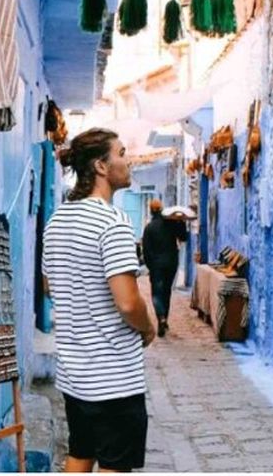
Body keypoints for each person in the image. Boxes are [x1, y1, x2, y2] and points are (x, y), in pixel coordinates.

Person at [42, 128, 157, 473]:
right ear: (101, 167)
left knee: (80, 453)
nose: (129, 160)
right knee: (114, 464)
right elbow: (127, 303)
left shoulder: (57, 221)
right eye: (121, 153)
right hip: (114, 376)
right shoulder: (113, 223)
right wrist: (148, 325)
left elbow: (50, 286)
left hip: (75, 372)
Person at [142, 199, 188, 337]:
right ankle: (165, 319)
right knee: (166, 291)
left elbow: (146, 251)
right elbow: (183, 237)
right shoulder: (171, 224)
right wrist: (181, 222)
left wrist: (150, 266)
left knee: (157, 292)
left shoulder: (149, 228)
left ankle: (161, 317)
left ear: (151, 211)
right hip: (171, 263)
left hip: (156, 265)